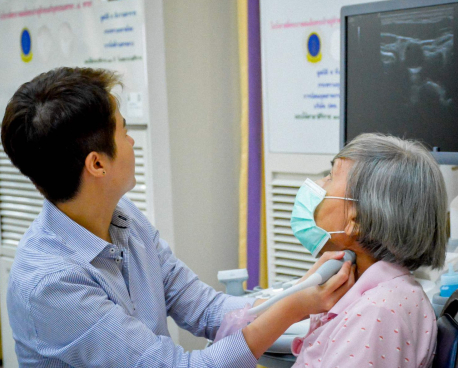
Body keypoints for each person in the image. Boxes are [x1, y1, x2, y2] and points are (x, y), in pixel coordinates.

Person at [1, 67, 355, 368]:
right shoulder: (52, 284)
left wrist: (300, 290)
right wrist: (292, 308)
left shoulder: (123, 218)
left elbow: (207, 310)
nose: (132, 142)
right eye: (124, 131)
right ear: (97, 164)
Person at [290, 133, 448, 367]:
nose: (318, 184)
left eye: (330, 177)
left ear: (358, 220)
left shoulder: (376, 314)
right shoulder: (370, 294)